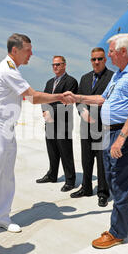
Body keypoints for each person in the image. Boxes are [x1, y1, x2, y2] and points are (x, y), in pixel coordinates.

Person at [0, 33, 74, 243]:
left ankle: (2, 217)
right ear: (15, 50)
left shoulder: (13, 69)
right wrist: (60, 96)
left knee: (6, 175)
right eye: (28, 50)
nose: (31, 54)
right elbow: (33, 97)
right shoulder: (7, 70)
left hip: (7, 129)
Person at [64, 33, 128, 249]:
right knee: (112, 177)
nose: (109, 55)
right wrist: (78, 98)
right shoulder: (120, 74)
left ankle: (117, 232)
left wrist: (121, 139)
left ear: (122, 51)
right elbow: (104, 99)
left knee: (120, 181)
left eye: (111, 51)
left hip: (125, 133)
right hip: (109, 131)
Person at [70, 47, 113, 207]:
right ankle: (86, 187)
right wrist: (82, 112)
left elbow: (110, 101)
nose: (96, 62)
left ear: (105, 60)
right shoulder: (85, 78)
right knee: (86, 160)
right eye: (94, 59)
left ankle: (103, 193)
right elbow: (79, 99)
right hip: (85, 126)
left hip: (103, 127)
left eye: (99, 59)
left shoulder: (112, 78)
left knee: (102, 163)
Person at [36, 56, 78, 192]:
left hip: (62, 123)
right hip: (49, 123)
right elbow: (43, 98)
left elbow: (66, 101)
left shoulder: (71, 81)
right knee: (52, 150)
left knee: (65, 152)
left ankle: (70, 180)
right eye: (53, 65)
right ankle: (52, 174)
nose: (55, 67)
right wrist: (44, 110)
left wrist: (50, 112)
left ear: (64, 65)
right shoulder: (49, 82)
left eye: (58, 64)